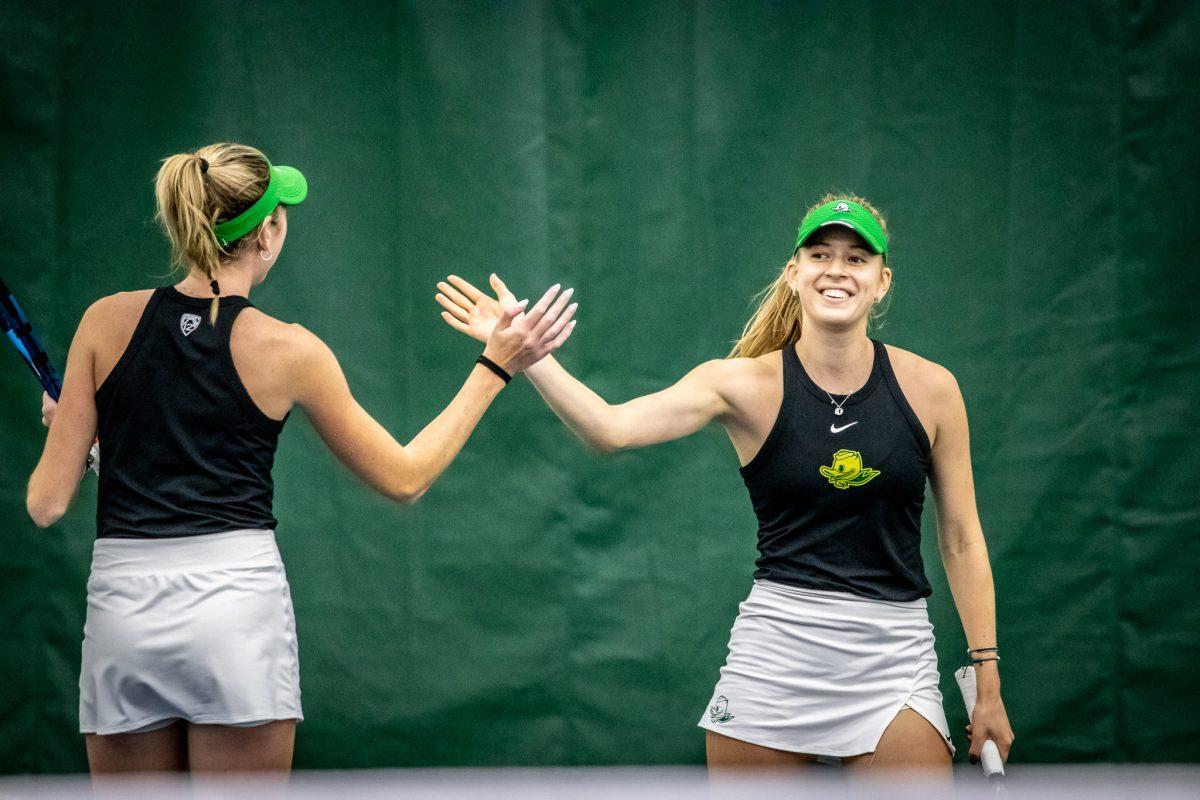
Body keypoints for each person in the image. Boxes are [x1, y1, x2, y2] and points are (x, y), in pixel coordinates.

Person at [25, 142, 576, 775]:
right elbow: (405, 479)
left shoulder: (101, 323)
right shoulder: (292, 351)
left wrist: (79, 432)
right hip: (235, 610)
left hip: (123, 612)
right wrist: (495, 365)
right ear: (266, 232)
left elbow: (46, 504)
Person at [434, 194, 1014, 773]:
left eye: (857, 258)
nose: (837, 269)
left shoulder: (933, 389)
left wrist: (987, 681)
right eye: (820, 254)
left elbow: (961, 538)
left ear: (881, 281)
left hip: (892, 658)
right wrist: (526, 355)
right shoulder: (739, 385)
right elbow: (609, 429)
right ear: (794, 274)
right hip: (774, 657)